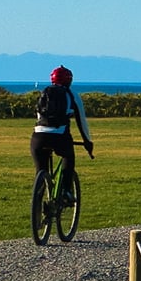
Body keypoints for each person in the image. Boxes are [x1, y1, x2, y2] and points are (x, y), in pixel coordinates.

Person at [32, 65, 93, 204]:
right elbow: (81, 121)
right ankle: (66, 191)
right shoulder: (72, 95)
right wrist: (87, 142)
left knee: (40, 169)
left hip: (38, 136)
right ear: (69, 80)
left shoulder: (44, 93)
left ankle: (37, 203)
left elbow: (39, 117)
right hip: (60, 136)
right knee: (68, 156)